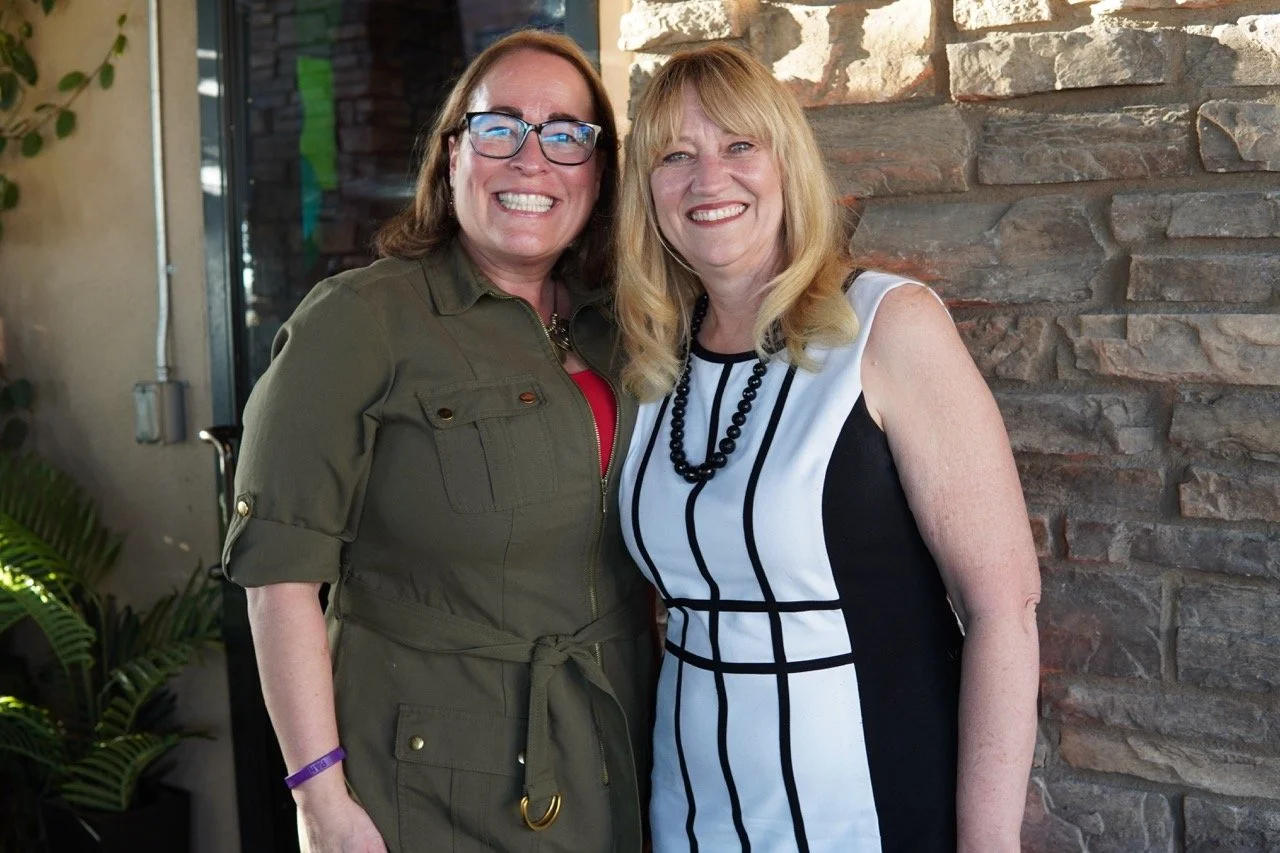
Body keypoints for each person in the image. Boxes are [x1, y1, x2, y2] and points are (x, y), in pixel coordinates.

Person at [221, 30, 656, 853]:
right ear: (453, 155)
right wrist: (321, 801)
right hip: (428, 787)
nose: (532, 160)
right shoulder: (357, 321)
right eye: (500, 129)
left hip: (617, 756)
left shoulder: (624, 326)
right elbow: (280, 581)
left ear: (598, 176)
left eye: (566, 134)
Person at [615, 43, 1041, 853]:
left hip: (871, 803)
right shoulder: (650, 361)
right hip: (689, 809)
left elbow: (1003, 609)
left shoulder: (890, 325)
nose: (710, 180)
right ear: (647, 192)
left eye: (740, 144)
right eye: (676, 155)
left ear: (787, 162)